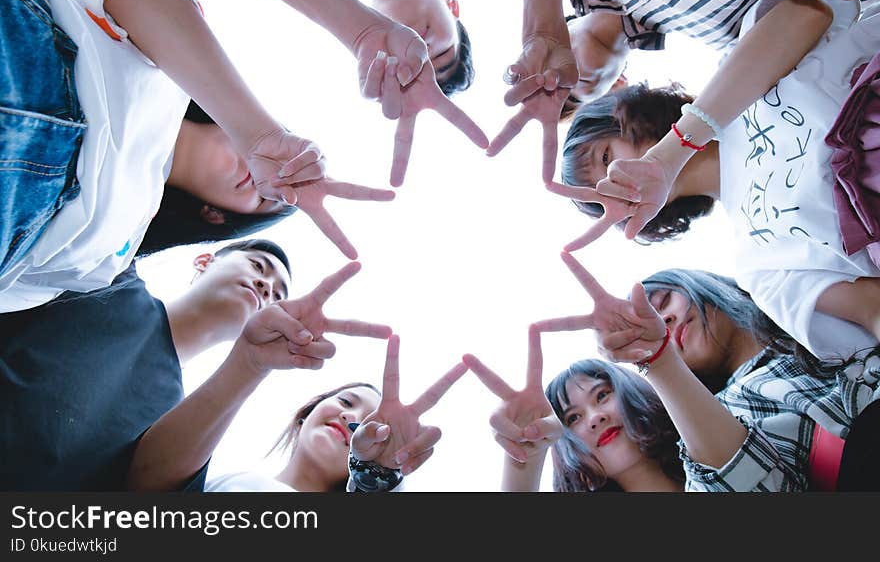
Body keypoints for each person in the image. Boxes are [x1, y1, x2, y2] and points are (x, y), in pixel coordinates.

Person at [0, 0, 393, 313]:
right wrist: (261, 135)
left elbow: (16, 283)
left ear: (215, 215)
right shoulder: (168, 71)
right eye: (280, 174)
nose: (267, 182)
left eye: (263, 199)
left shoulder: (113, 253)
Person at [547, 0, 880, 358]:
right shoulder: (758, 267)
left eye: (605, 158)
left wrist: (667, 156)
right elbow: (872, 309)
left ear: (623, 115)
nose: (615, 182)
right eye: (602, 198)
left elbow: (809, 13)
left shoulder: (733, 68)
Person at [491, 0, 880, 180]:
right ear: (616, 89)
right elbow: (812, 6)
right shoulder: (724, 36)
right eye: (575, 99)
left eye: (554, 81)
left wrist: (541, 24)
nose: (569, 84)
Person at [168, 0, 488, 186]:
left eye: (409, 71)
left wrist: (360, 31)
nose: (419, 54)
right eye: (440, 55)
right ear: (454, 7)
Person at [534, 253, 880, 491]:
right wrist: (657, 358)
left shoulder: (793, 291)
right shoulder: (730, 414)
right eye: (573, 418)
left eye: (665, 303)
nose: (665, 321)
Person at [0, 238, 292, 490]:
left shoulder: (177, 431)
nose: (266, 286)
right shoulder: (110, 276)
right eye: (258, 266)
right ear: (204, 261)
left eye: (278, 296)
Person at [129, 334, 466, 492]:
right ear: (306, 414)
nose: (352, 421)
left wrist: (376, 473)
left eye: (369, 426)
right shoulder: (224, 483)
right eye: (347, 403)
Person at [463, 330, 683, 492]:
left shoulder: (710, 446)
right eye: (574, 418)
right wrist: (525, 454)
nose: (595, 418)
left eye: (602, 396)